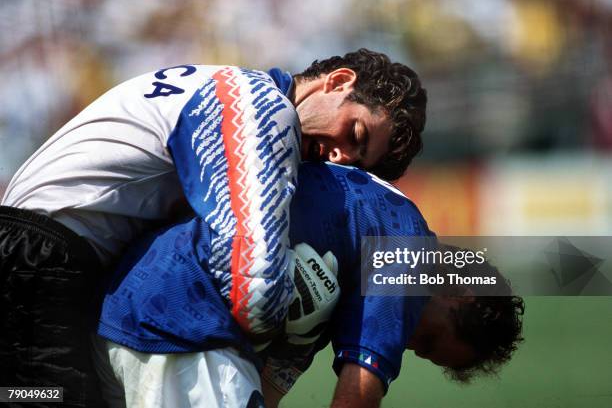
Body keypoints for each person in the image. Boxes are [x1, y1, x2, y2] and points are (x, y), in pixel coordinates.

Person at [0, 49, 427, 407]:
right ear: (338, 80)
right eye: (354, 133)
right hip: (44, 258)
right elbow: (254, 284)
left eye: (355, 161)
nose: (338, 158)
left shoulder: (229, 85)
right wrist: (298, 316)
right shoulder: (265, 109)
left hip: (38, 255)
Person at [93, 162, 525, 408]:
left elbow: (267, 389)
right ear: (459, 291)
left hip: (126, 315)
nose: (411, 346)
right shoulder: (406, 244)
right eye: (429, 338)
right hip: (180, 327)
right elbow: (358, 396)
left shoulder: (330, 306)